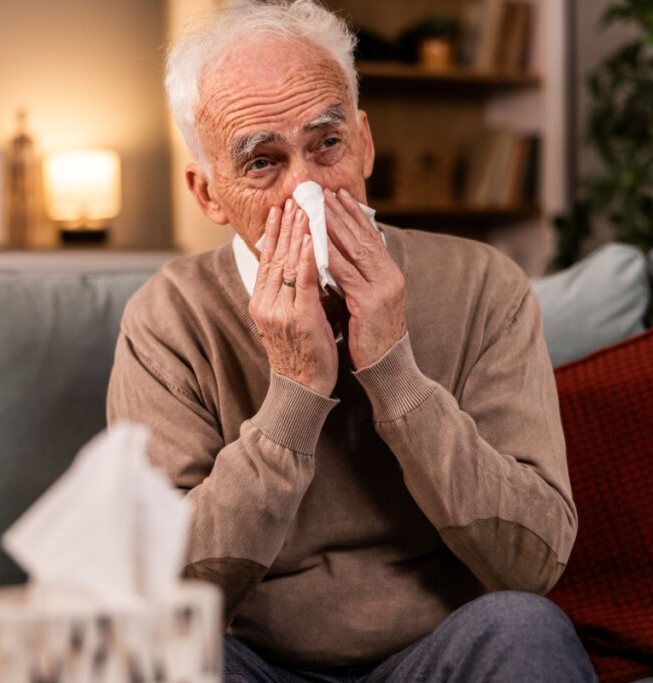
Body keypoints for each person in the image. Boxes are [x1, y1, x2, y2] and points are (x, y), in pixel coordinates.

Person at [107, 1, 596, 681]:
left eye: (326, 145)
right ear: (209, 193)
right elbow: (159, 583)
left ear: (364, 143)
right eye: (263, 162)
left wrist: (393, 368)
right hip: (253, 660)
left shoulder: (484, 284)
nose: (307, 187)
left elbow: (533, 559)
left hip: (439, 652)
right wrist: (295, 392)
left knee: (527, 628)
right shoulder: (169, 315)